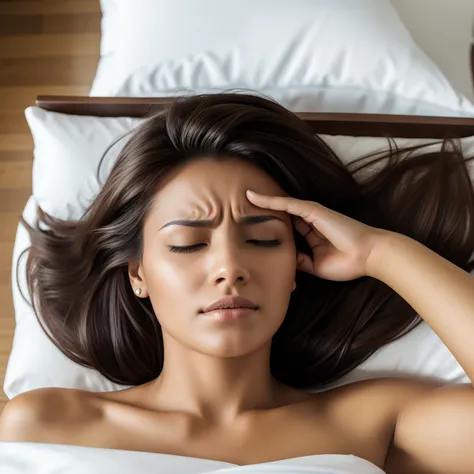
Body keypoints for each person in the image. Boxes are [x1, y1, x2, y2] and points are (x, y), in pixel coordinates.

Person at [0, 92, 474, 474]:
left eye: (264, 240)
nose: (230, 267)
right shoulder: (43, 424)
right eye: (188, 243)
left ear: (295, 267)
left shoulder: (370, 424)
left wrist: (382, 253)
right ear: (138, 273)